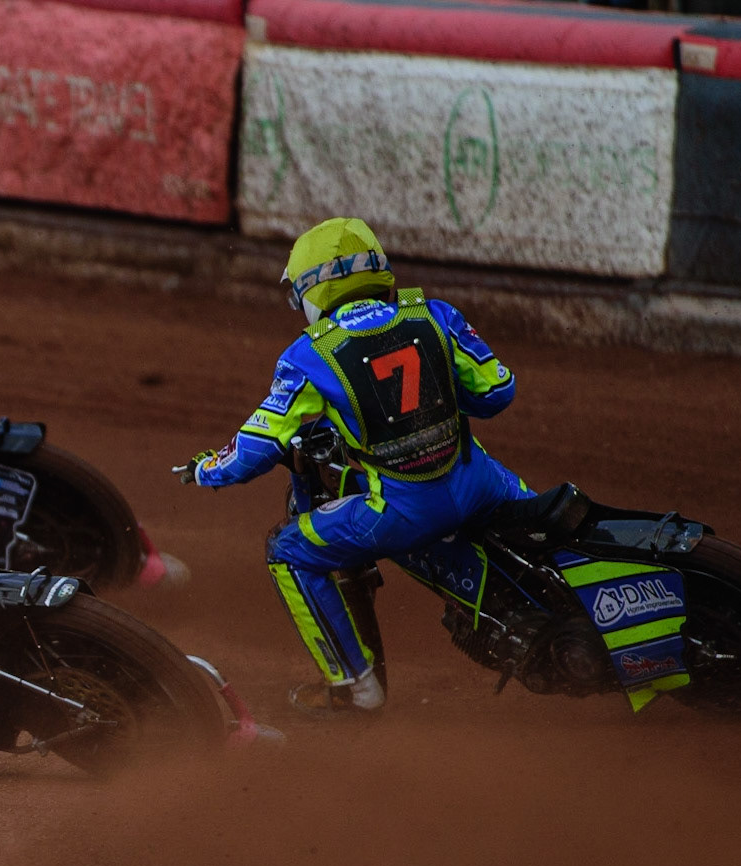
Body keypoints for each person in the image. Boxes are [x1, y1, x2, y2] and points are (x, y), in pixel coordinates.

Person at [176, 218, 528, 717]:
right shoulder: (435, 314)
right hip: (480, 483)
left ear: (314, 288)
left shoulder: (310, 354)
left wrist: (205, 468)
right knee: (546, 520)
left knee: (288, 549)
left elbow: (252, 451)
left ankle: (355, 688)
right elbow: (497, 393)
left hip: (405, 509)